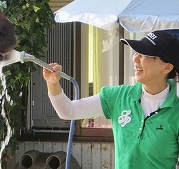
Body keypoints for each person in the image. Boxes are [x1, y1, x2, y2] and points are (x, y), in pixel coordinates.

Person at [43, 30, 179, 169]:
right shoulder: (117, 96)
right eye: (137, 52)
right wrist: (52, 83)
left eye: (145, 55)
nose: (136, 58)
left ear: (167, 67)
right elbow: (68, 111)